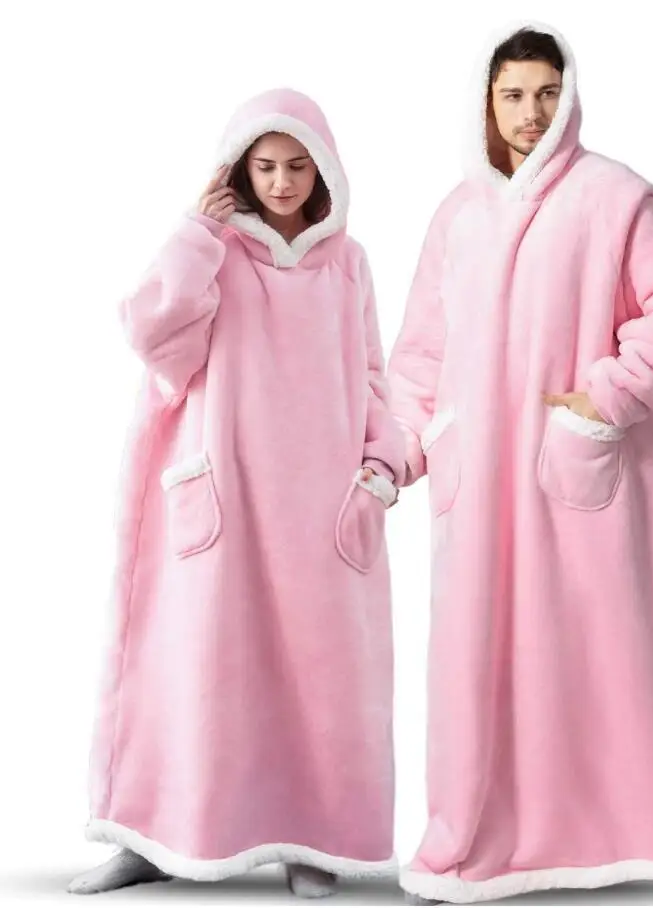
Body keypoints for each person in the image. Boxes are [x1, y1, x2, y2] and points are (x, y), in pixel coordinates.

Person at [387, 21, 653, 904]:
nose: (530, 113)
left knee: (599, 656)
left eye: (546, 93)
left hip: (578, 479)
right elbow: (421, 354)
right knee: (480, 667)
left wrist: (603, 400)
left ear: (569, 96)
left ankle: (627, 837)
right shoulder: (458, 215)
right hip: (479, 485)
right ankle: (484, 837)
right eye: (513, 95)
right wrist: (398, 452)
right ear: (487, 102)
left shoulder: (616, 198)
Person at [68, 88, 404, 897]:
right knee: (192, 673)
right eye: (265, 167)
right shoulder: (213, 252)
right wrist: (194, 232)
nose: (282, 182)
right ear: (239, 172)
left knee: (322, 684)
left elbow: (371, 375)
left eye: (297, 167)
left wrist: (380, 469)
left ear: (324, 172)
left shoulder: (349, 265)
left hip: (322, 511)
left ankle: (315, 840)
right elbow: (153, 336)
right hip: (221, 496)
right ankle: (153, 838)